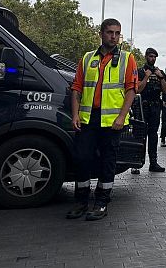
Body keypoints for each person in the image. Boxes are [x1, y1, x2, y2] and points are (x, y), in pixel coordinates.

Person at [67, 18, 138, 221]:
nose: (114, 37)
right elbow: (77, 88)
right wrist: (75, 114)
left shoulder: (127, 58)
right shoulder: (87, 58)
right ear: (101, 34)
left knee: (107, 161)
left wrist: (122, 116)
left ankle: (101, 202)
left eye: (117, 33)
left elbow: (131, 90)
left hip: (112, 121)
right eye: (110, 32)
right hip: (88, 118)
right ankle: (81, 201)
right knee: (82, 159)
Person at [132, 48, 166, 174]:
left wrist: (161, 77)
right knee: (139, 134)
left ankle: (153, 162)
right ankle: (136, 163)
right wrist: (146, 77)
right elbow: (137, 89)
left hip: (155, 107)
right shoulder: (140, 71)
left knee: (153, 135)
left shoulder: (159, 72)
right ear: (146, 56)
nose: (152, 59)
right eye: (151, 56)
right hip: (142, 107)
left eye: (154, 57)